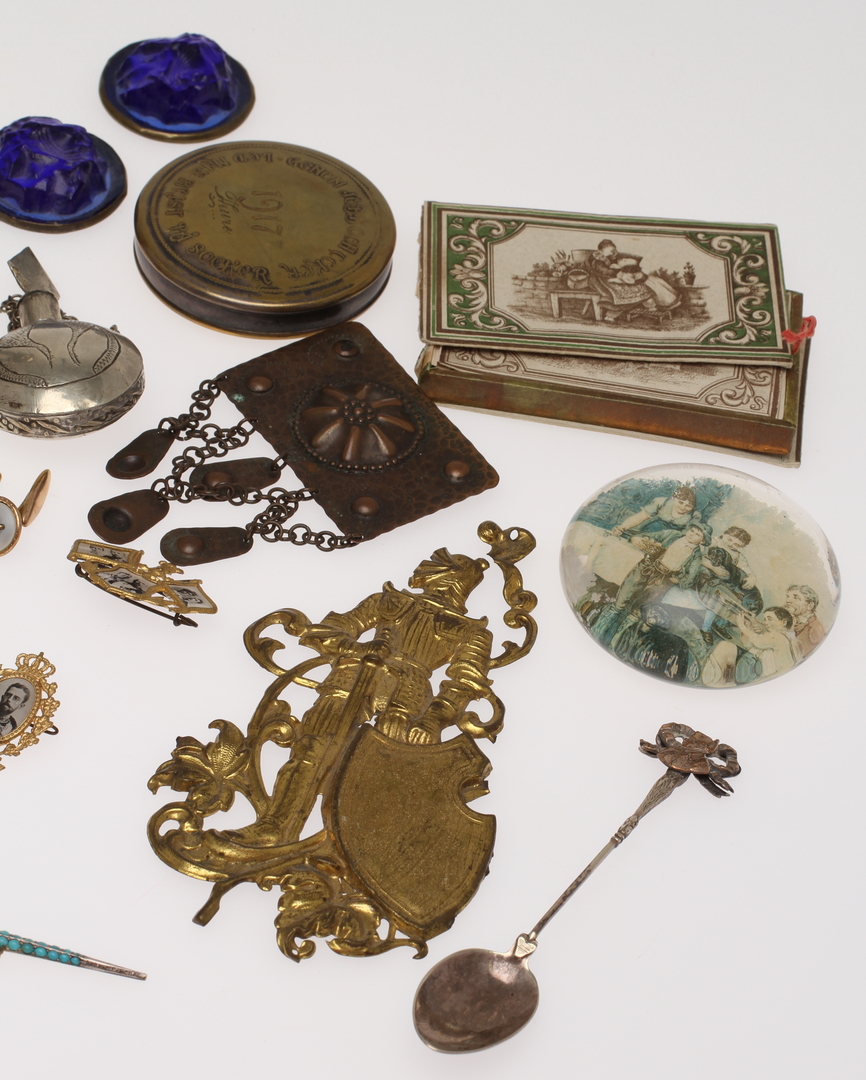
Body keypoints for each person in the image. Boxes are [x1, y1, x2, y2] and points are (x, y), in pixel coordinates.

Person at [611, 485, 702, 547]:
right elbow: (641, 516)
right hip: (652, 530)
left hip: (671, 538)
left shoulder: (695, 515)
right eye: (680, 503)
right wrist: (623, 526)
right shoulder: (661, 502)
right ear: (673, 498)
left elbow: (688, 534)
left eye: (688, 506)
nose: (683, 508)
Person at [785, 585, 825, 660]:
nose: (788, 601)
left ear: (810, 606)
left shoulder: (815, 628)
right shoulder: (789, 622)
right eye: (788, 596)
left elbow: (796, 655)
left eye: (796, 598)